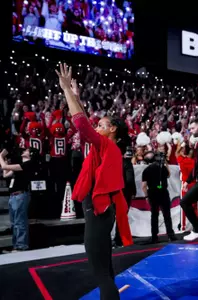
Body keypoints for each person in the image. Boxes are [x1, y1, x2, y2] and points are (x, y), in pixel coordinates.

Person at [56, 64, 132, 300]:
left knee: (100, 272)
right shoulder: (108, 147)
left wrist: (66, 89)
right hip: (101, 209)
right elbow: (84, 122)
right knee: (105, 266)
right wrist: (75, 97)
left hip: (98, 211)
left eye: (101, 125)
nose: (96, 127)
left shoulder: (106, 144)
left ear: (112, 131)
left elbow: (81, 125)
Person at [0, 147, 39, 253]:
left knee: (20, 222)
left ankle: (21, 246)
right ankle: (16, 246)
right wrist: (6, 160)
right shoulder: (20, 166)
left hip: (20, 195)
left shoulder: (28, 164)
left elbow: (3, 166)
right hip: (13, 196)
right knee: (14, 223)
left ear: (30, 154)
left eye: (26, 151)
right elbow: (5, 173)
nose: (23, 151)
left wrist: (1, 156)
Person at [141, 151, 177, 243]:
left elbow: (144, 186)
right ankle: (170, 235)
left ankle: (154, 236)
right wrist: (166, 164)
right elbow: (169, 174)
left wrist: (146, 196)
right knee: (167, 215)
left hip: (153, 193)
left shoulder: (147, 170)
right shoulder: (164, 168)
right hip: (163, 192)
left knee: (154, 215)